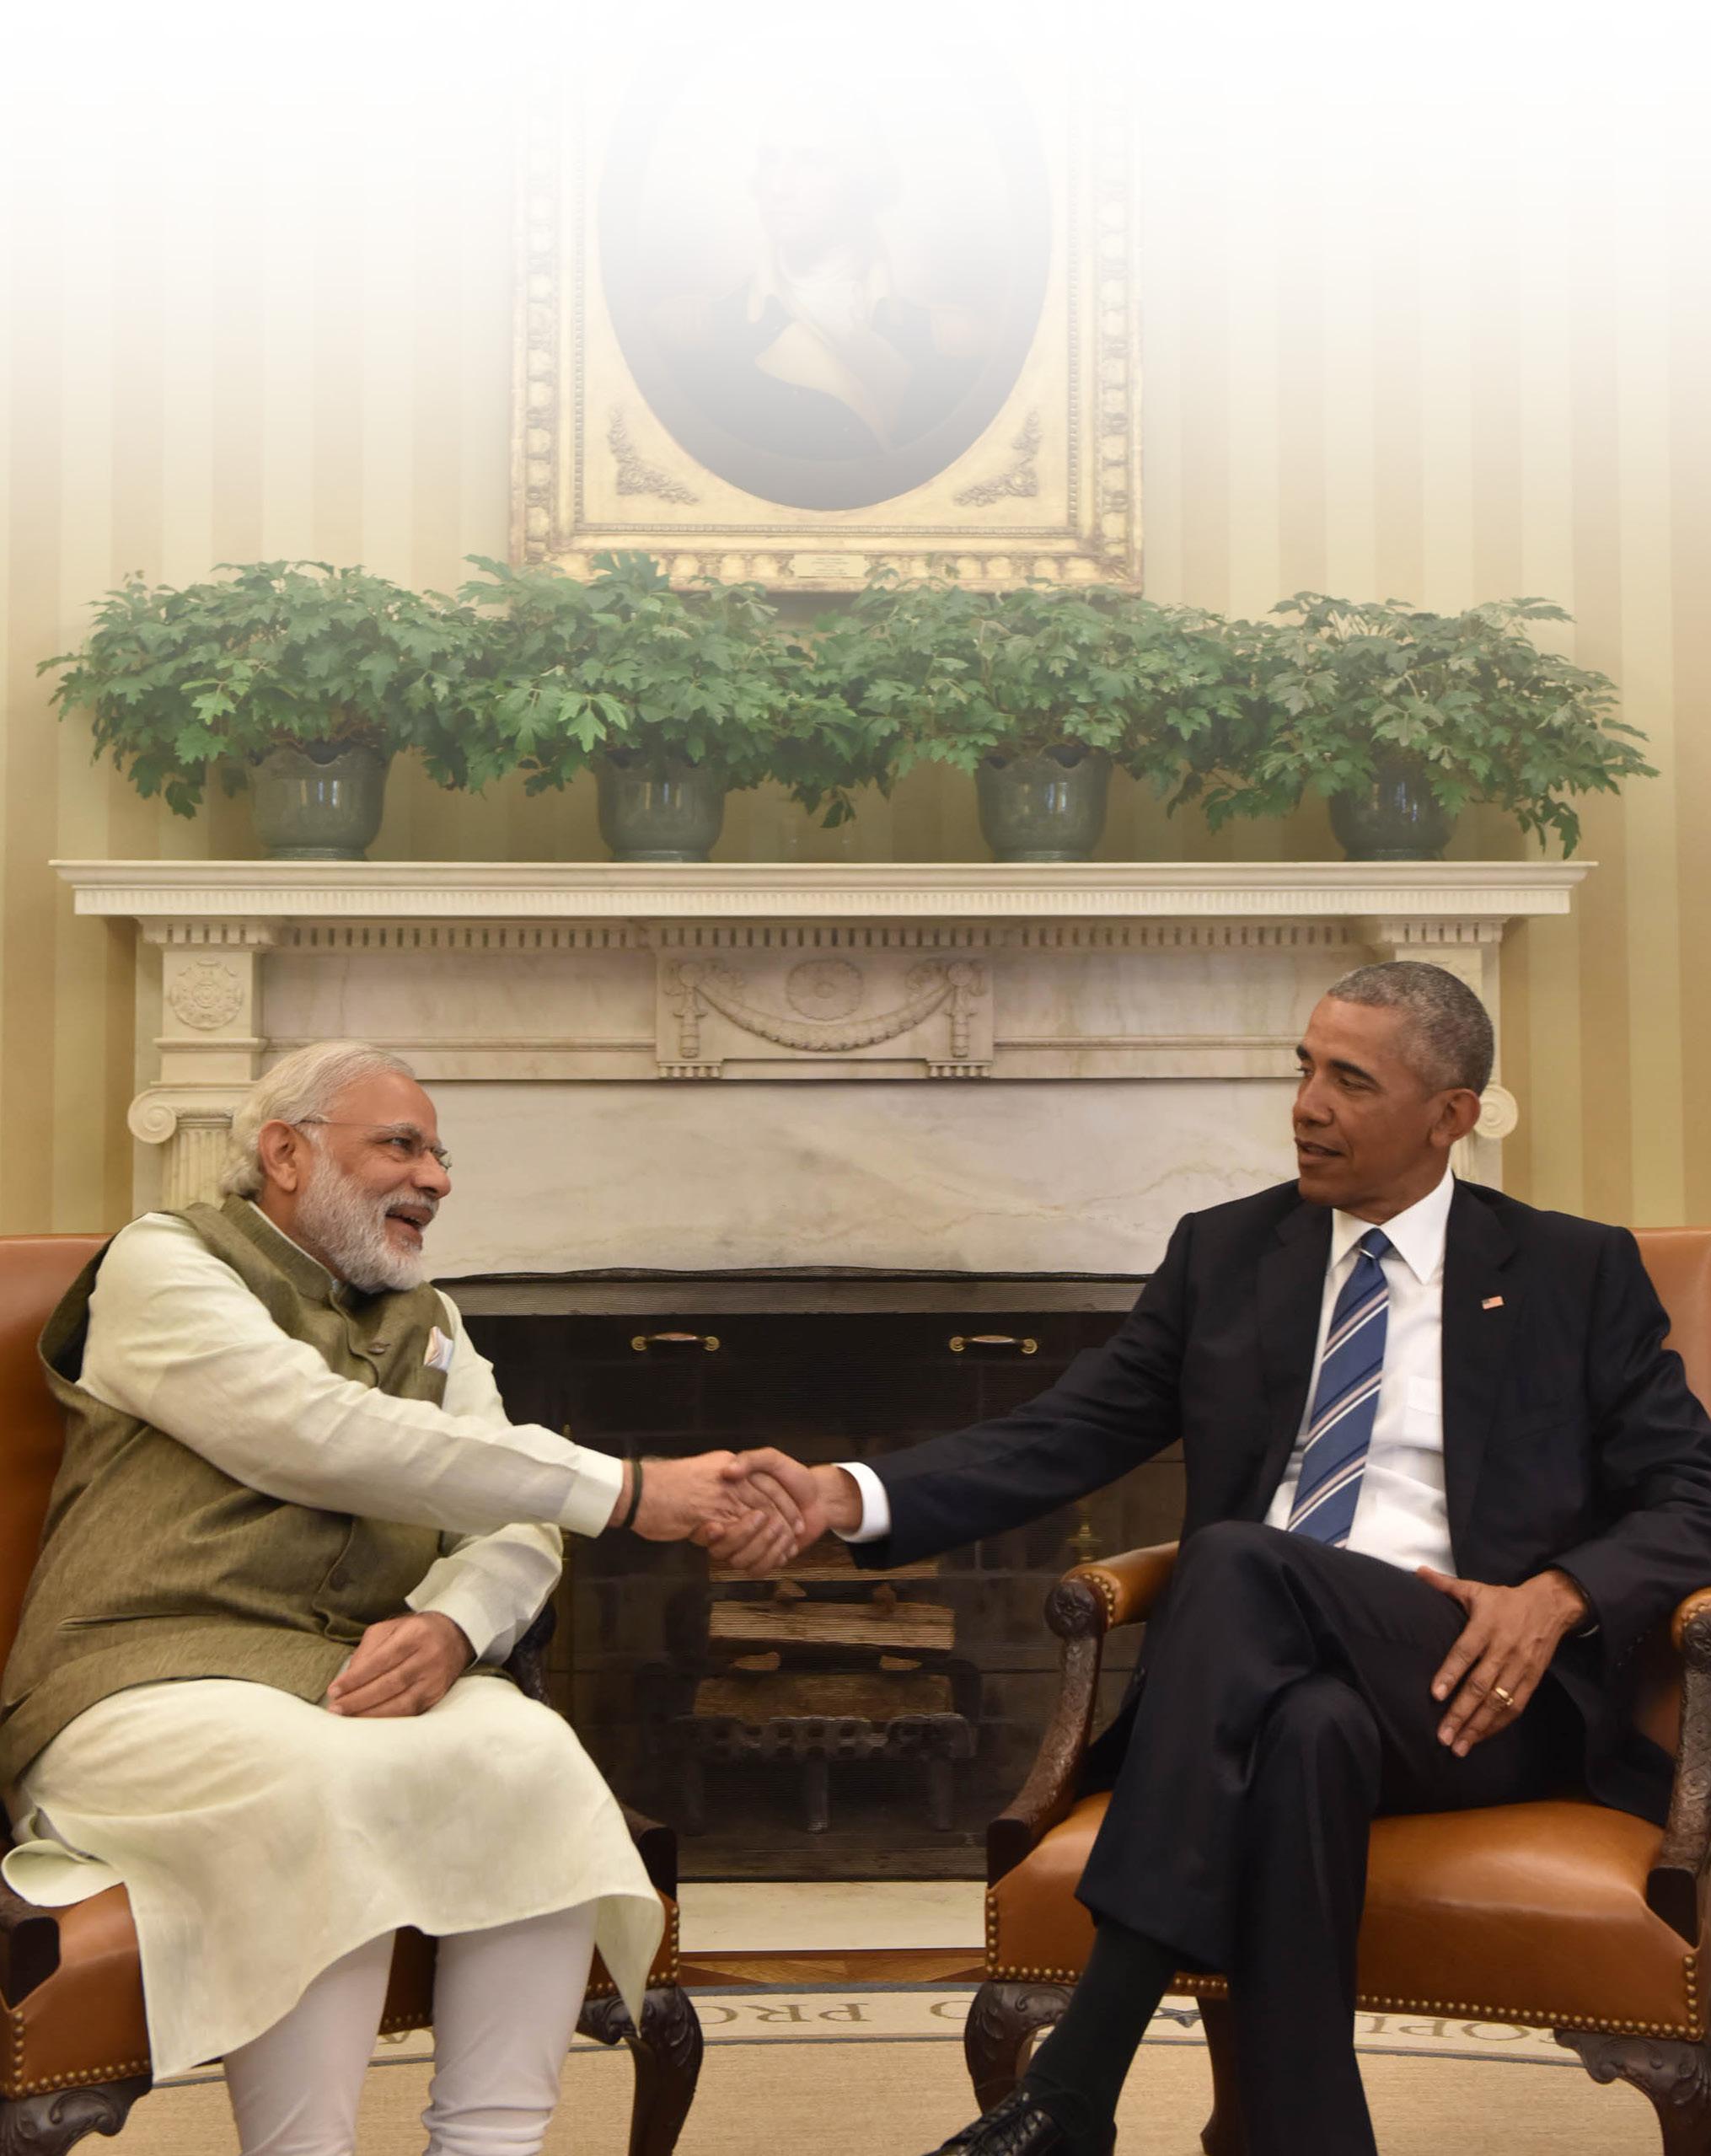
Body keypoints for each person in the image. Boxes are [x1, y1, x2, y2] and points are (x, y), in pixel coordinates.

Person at [738, 960, 1711, 2155]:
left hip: (1474, 1690)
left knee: (1239, 1561)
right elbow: (1065, 1431)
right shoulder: (1226, 1252)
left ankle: (1075, 2083)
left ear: (1450, 1114)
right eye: (1303, 1069)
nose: (1306, 1105)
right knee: (1304, 1728)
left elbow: (1693, 1492)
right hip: (1258, 1687)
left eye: (1350, 1080)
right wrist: (849, 1492)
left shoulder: (1571, 1270)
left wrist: (1557, 1597)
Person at [0, 1040, 808, 2156]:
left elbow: (513, 1520)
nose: (436, 1178)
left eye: (440, 1155)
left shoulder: (432, 1318)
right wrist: (628, 1490)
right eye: (401, 1144)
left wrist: (454, 1625)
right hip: (145, 1677)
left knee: (529, 1755)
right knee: (318, 1784)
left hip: (351, 1673)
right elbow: (308, 1431)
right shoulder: (164, 1262)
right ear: (284, 1153)